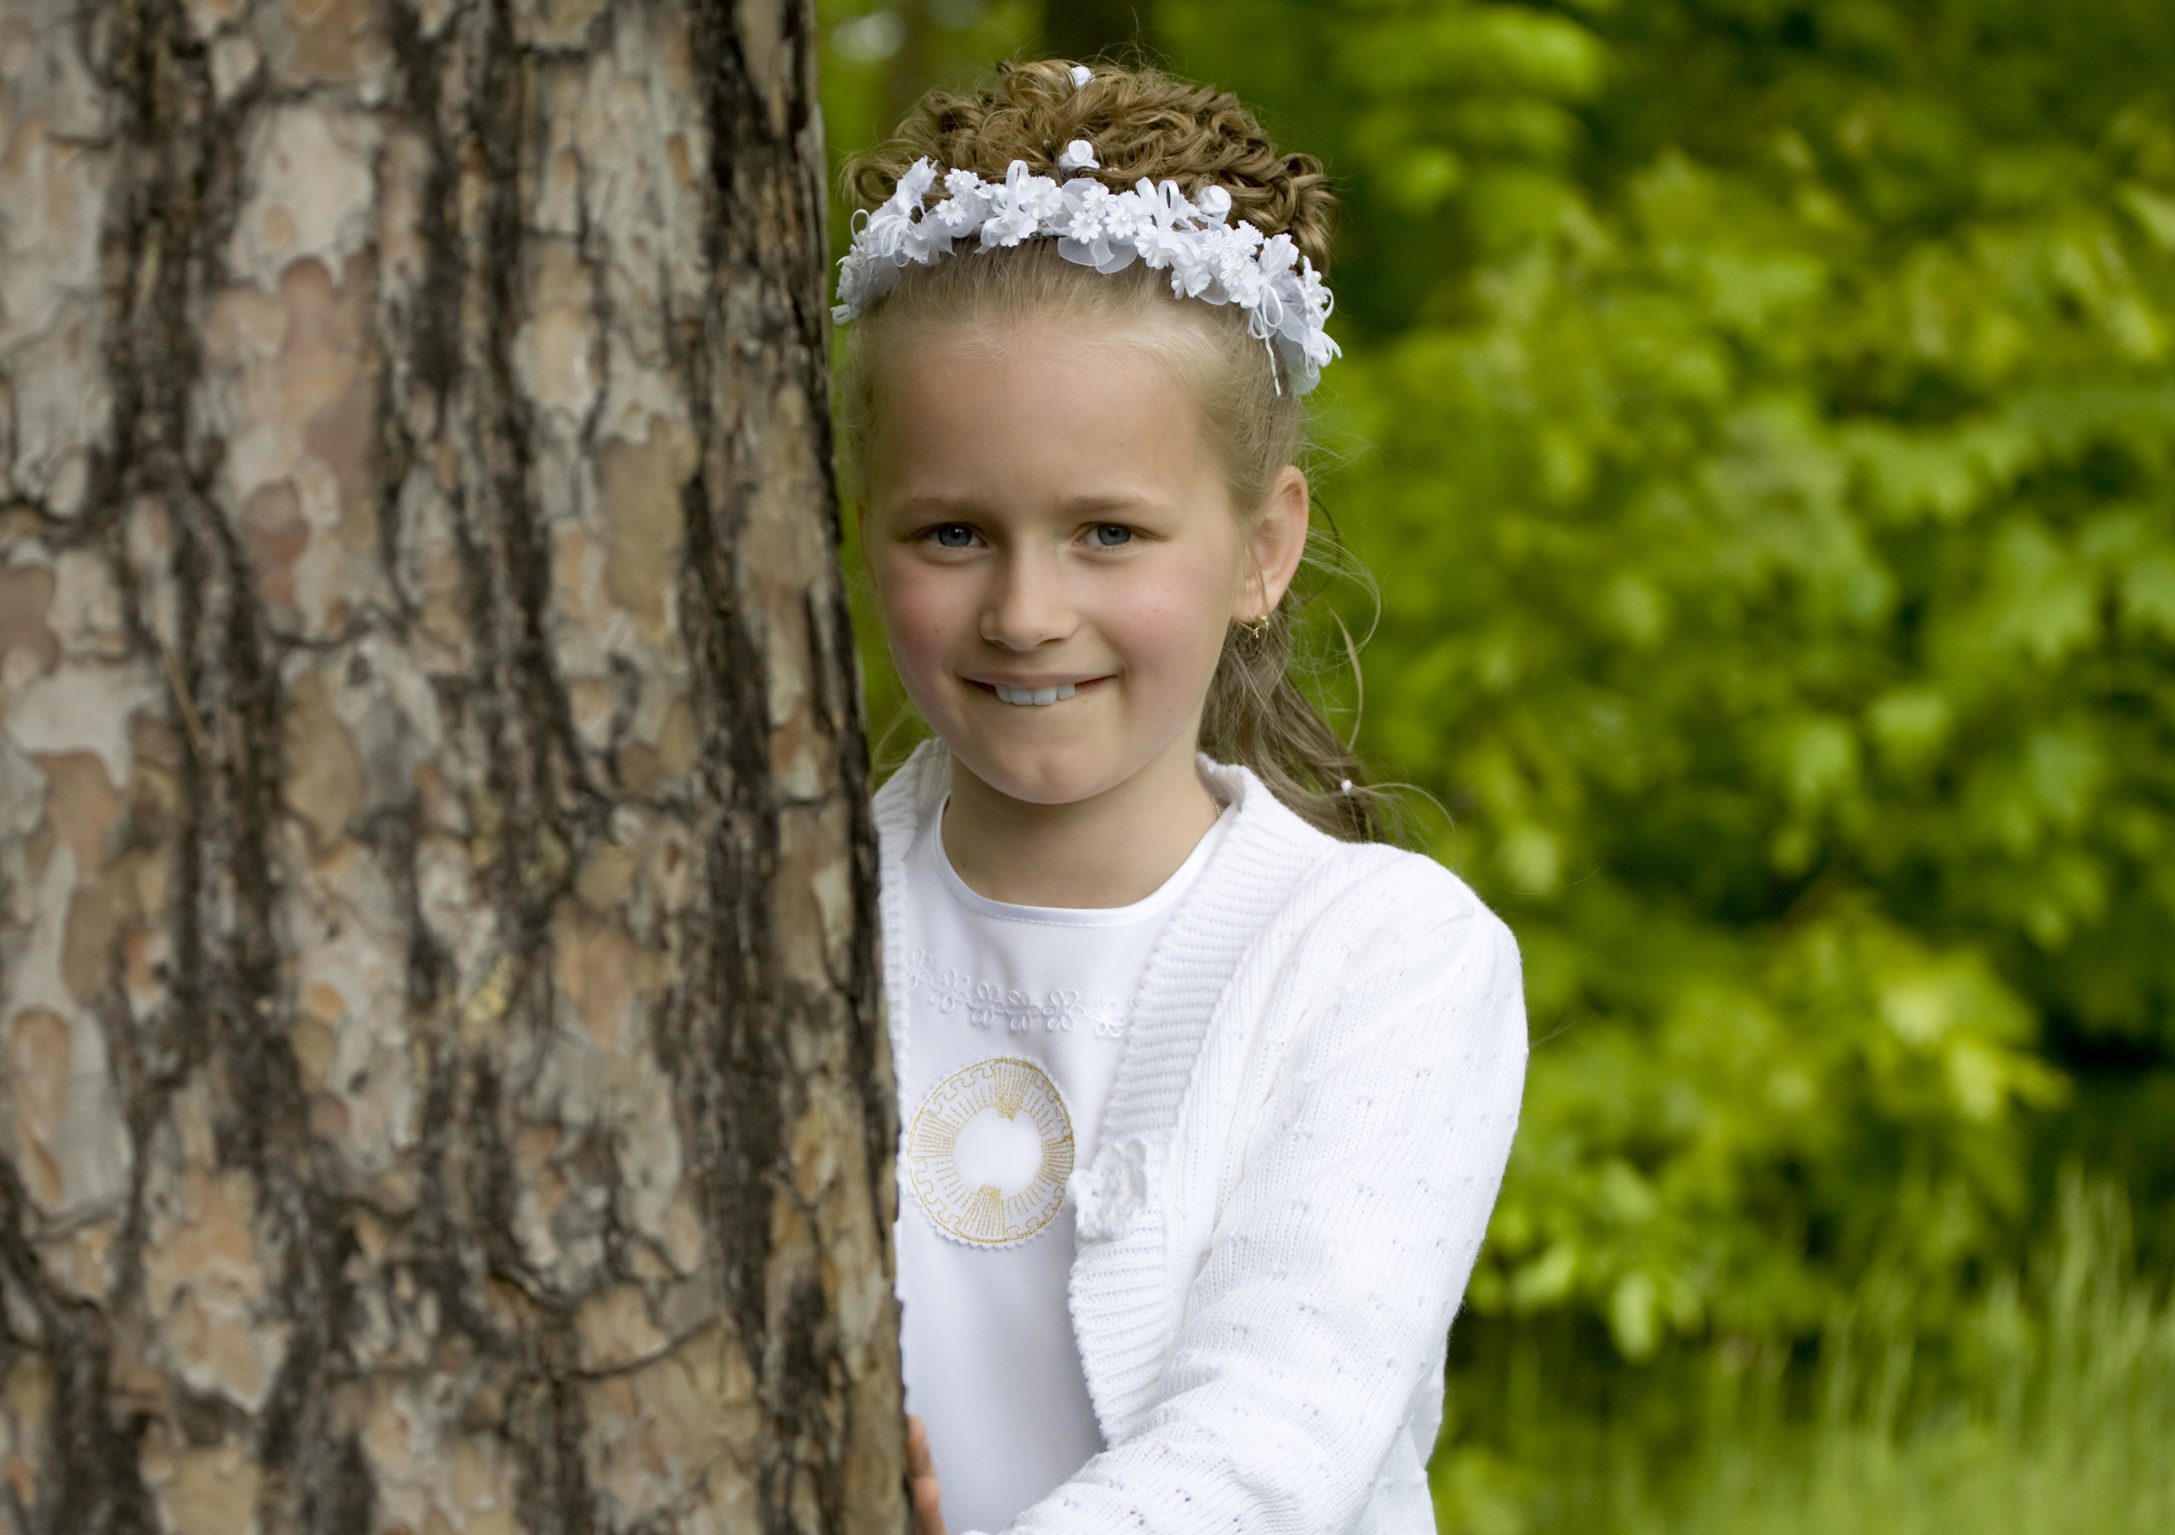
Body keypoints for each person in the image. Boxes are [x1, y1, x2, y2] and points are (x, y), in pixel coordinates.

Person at [832, 56, 1529, 1535]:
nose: (1026, 609)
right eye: (953, 531)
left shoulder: (1386, 960)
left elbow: (1273, 1441)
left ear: (1265, 547)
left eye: (1108, 532)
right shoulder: (795, 905)